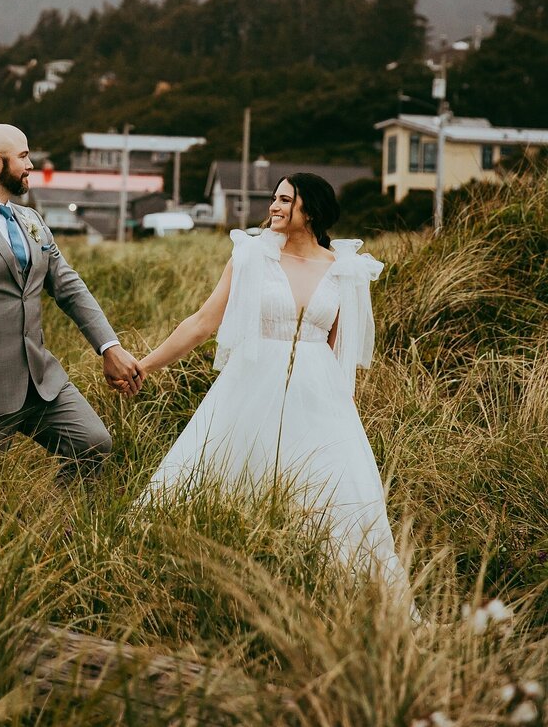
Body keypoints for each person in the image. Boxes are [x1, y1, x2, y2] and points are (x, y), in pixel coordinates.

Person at [136, 172, 411, 598]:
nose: (274, 207)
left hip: (319, 397)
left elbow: (343, 354)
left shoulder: (346, 271)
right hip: (250, 387)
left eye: (286, 200)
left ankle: (330, 590)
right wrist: (144, 366)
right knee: (231, 477)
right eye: (274, 198)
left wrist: (343, 419)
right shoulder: (250, 256)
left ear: (311, 211)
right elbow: (202, 324)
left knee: (332, 496)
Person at [0, 123, 144, 478]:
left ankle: (58, 527)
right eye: (22, 156)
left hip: (41, 382)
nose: (30, 164)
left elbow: (68, 286)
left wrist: (109, 347)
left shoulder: (31, 219)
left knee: (95, 443)